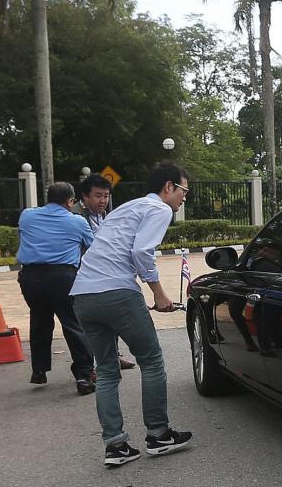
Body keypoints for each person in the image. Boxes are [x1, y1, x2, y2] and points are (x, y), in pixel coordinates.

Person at [70, 162, 193, 467]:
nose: (184, 198)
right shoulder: (160, 209)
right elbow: (141, 252)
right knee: (151, 361)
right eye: (184, 191)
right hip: (118, 293)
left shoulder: (127, 208)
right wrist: (159, 293)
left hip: (83, 295)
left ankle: (116, 446)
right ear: (169, 187)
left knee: (107, 370)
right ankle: (159, 435)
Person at [17, 182, 96, 395]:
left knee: (40, 320)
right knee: (73, 324)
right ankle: (84, 375)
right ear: (70, 201)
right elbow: (94, 247)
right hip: (63, 278)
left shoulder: (26, 216)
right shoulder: (77, 221)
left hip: (31, 279)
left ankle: (39, 370)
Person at [78, 173, 136, 371]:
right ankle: (90, 366)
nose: (103, 200)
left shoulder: (104, 217)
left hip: (107, 277)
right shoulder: (78, 219)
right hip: (86, 279)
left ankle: (114, 356)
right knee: (88, 327)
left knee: (111, 320)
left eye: (106, 195)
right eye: (97, 195)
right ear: (85, 197)